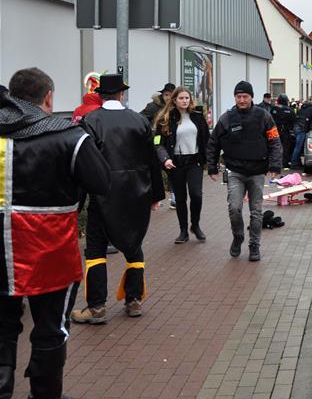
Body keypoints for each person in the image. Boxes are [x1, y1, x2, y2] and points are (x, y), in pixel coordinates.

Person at [0, 68, 110, 399]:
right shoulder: (69, 136)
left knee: (2, 325)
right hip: (48, 248)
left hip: (0, 249)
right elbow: (102, 183)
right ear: (48, 97)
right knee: (50, 326)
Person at [73, 74, 165, 324]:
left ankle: (96, 307)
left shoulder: (90, 121)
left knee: (95, 251)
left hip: (104, 195)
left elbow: (83, 165)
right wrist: (156, 194)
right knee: (134, 246)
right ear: (122, 94)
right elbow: (152, 160)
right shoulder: (139, 120)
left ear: (100, 95)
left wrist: (77, 203)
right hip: (137, 194)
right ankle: (134, 300)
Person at [206, 81, 282, 262]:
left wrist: (275, 166)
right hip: (235, 172)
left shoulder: (263, 116)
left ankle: (254, 245)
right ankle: (238, 236)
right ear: (235, 98)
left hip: (257, 172)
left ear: (251, 97)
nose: (241, 100)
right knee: (234, 208)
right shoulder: (227, 118)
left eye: (245, 96)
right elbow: (213, 143)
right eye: (238, 96)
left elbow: (274, 142)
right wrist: (212, 167)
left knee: (256, 212)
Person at [154, 86, 210, 244]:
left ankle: (195, 225)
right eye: (181, 98)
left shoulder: (198, 117)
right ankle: (183, 230)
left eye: (187, 98)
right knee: (180, 198)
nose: (185, 101)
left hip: (194, 162)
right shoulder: (165, 118)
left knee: (196, 195)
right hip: (175, 163)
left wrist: (210, 161)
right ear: (174, 100)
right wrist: (165, 159)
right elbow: (157, 143)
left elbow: (207, 140)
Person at [290, 97, 312, 169]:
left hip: (296, 127)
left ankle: (297, 162)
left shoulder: (302, 108)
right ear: (311, 102)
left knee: (298, 146)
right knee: (298, 147)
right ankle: (294, 163)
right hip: (302, 128)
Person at [270, 94, 297, 169]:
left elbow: (270, 119)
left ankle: (274, 163)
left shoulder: (274, 108)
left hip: (275, 130)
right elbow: (294, 120)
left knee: (274, 147)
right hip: (285, 131)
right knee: (285, 148)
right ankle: (284, 163)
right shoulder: (289, 110)